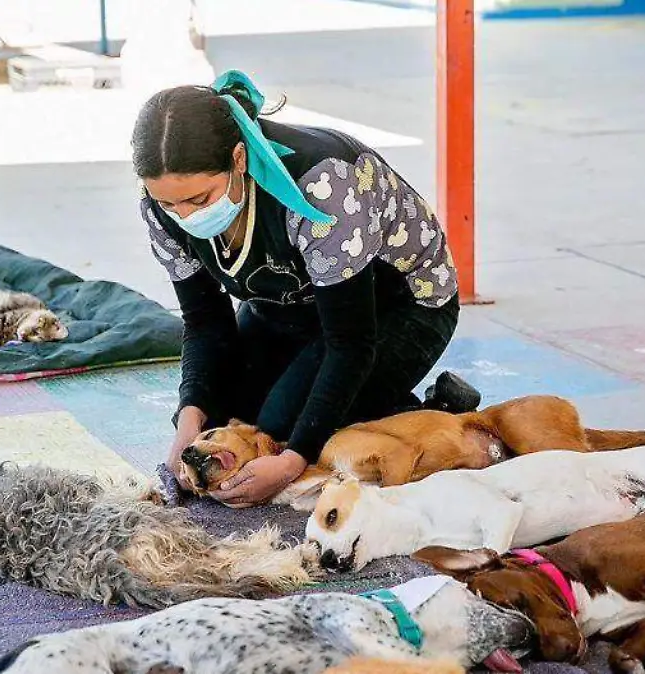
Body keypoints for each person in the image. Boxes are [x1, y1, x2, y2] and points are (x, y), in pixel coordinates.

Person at [132, 71, 480, 508]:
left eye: (200, 200)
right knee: (221, 421)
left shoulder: (322, 185)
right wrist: (189, 417)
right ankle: (377, 403)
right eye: (168, 203)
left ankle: (430, 416)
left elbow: (350, 343)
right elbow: (205, 324)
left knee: (280, 430)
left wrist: (294, 459)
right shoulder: (160, 208)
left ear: (239, 159)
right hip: (283, 306)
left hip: (394, 306)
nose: (183, 216)